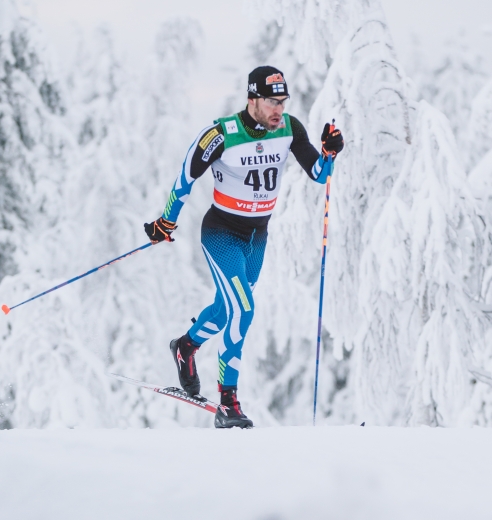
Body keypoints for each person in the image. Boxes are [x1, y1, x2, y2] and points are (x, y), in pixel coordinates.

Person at [144, 65, 344, 428]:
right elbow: (185, 177)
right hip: (221, 233)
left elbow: (319, 175)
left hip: (257, 237)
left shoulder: (289, 129)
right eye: (271, 102)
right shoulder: (222, 134)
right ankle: (228, 402)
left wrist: (330, 153)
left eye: (283, 102)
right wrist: (166, 221)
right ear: (252, 98)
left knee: (228, 307)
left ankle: (186, 346)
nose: (278, 110)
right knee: (244, 308)